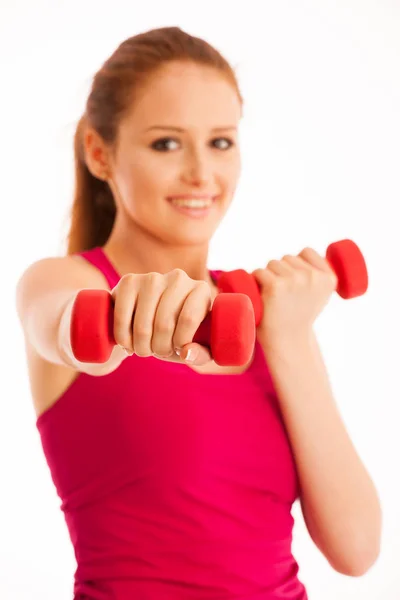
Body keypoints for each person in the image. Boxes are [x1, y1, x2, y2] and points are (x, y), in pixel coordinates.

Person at [16, 26, 381, 600]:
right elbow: (63, 325)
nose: (202, 174)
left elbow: (357, 549)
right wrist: (124, 319)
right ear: (99, 152)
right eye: (166, 143)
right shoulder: (68, 282)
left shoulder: (269, 317)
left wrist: (287, 339)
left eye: (221, 141)